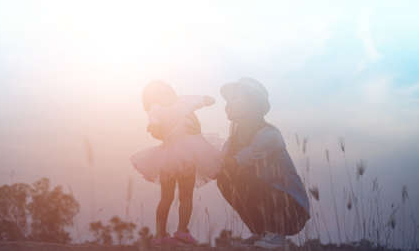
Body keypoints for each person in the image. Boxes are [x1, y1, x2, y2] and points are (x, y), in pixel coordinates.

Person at [216, 77, 310, 249]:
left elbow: (238, 162)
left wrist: (218, 163)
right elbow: (221, 165)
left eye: (235, 98)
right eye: (228, 100)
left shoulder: (268, 135)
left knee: (243, 176)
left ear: (254, 105)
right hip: (270, 197)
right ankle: (261, 231)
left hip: (291, 208)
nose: (228, 104)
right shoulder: (232, 140)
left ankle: (276, 234)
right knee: (225, 179)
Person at [130, 80, 222, 246]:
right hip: (187, 154)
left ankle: (165, 233)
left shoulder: (158, 109)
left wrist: (157, 128)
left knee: (171, 197)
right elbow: (204, 100)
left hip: (170, 156)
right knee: (179, 196)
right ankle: (176, 232)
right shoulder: (180, 104)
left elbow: (156, 128)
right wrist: (205, 100)